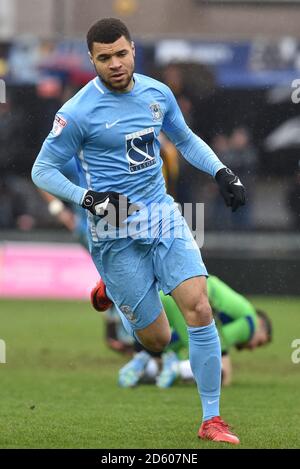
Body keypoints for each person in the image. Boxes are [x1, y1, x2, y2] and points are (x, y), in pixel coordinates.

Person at [32, 18, 245, 445]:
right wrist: (89, 198)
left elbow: (183, 140)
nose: (115, 63)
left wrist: (222, 170)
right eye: (104, 57)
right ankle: (116, 288)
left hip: (162, 215)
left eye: (121, 53)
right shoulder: (75, 112)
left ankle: (212, 420)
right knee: (157, 338)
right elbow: (42, 170)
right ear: (92, 59)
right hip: (111, 228)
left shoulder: (157, 93)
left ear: (133, 50)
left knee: (200, 309)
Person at [92, 276, 271, 388]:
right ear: (261, 323)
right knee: (216, 368)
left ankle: (142, 366)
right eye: (261, 342)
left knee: (161, 346)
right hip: (185, 299)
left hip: (163, 293)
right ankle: (175, 369)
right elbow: (217, 345)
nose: (254, 347)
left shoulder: (237, 308)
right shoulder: (251, 322)